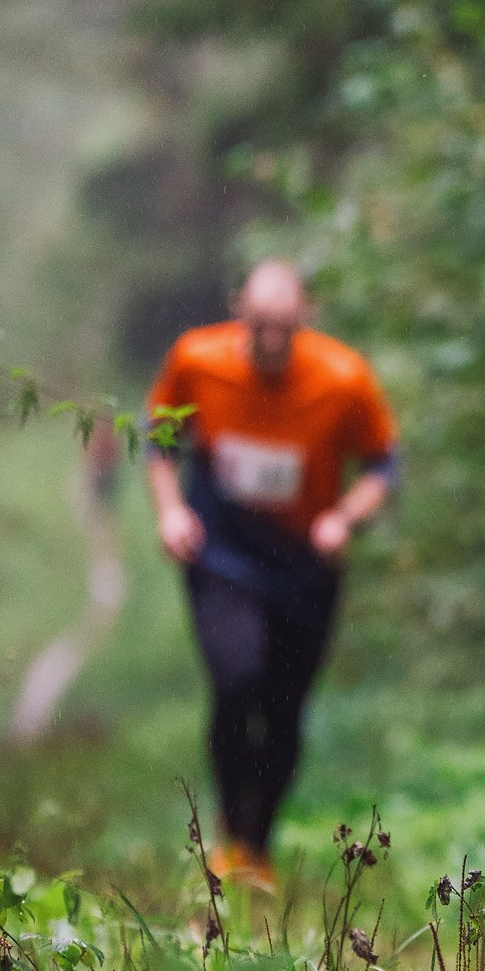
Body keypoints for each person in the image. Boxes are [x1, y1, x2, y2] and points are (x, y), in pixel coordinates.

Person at [146, 261, 398, 889]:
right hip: (222, 553)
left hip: (305, 563)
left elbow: (382, 465)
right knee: (237, 680)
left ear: (304, 318)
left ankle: (257, 850)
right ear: (239, 312)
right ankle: (230, 839)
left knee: (285, 710)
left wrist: (344, 517)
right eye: (258, 326)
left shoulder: (343, 378)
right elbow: (159, 439)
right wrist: (171, 510)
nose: (269, 343)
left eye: (282, 328)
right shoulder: (197, 360)